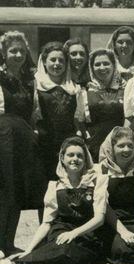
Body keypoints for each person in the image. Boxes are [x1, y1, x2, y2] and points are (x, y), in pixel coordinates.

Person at [0, 137, 105, 264]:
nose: (75, 159)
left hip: (86, 234)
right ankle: (17, 262)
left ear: (85, 160)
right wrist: (29, 249)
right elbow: (46, 223)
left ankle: (17, 262)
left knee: (71, 254)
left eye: (80, 156)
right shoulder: (55, 186)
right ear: (62, 158)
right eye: (70, 155)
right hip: (61, 232)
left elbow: (99, 219)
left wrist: (74, 233)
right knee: (62, 249)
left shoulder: (95, 182)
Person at [0, 31, 47, 257]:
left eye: (21, 51)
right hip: (3, 137)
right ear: (3, 53)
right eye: (13, 51)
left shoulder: (30, 80)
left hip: (23, 139)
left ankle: (8, 243)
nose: (18, 55)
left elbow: (33, 112)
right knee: (4, 189)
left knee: (17, 189)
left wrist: (33, 131)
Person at [97, 127, 134, 264]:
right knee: (122, 250)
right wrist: (123, 232)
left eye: (130, 145)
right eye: (121, 146)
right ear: (112, 147)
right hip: (113, 221)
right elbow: (104, 205)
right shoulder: (102, 168)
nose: (126, 150)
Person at [34, 41, 86, 180]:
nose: (57, 64)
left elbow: (77, 118)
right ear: (44, 62)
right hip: (43, 144)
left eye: (61, 60)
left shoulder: (74, 88)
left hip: (67, 146)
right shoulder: (36, 85)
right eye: (52, 59)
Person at [80, 49, 124, 162]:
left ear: (114, 65)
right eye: (97, 64)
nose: (102, 67)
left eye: (106, 63)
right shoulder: (85, 90)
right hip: (94, 146)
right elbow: (80, 121)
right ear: (91, 68)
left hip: (121, 144)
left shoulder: (125, 88)